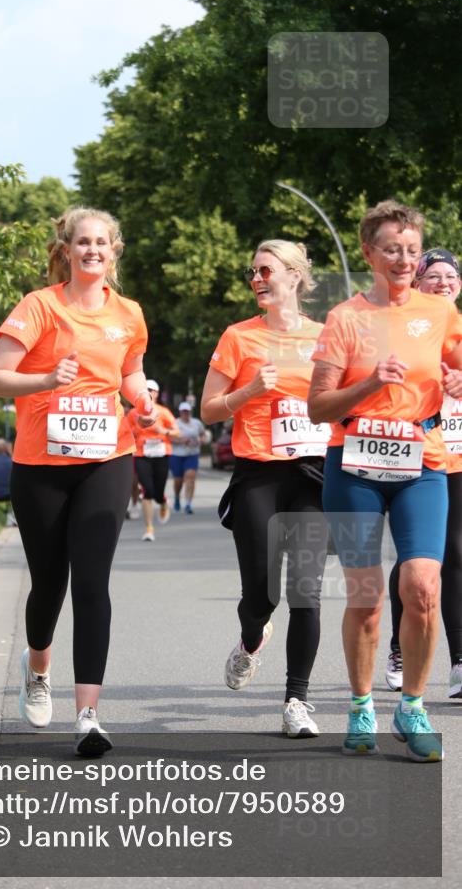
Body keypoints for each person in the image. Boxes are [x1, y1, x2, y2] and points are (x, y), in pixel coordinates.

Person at [0, 207, 154, 756]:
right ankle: (37, 668)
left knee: (92, 583)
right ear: (68, 249)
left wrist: (143, 401)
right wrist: (45, 379)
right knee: (50, 583)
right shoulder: (40, 307)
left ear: (114, 250)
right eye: (83, 242)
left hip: (108, 456)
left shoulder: (129, 313)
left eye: (102, 242)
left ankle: (89, 716)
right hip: (41, 465)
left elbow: (129, 372)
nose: (93, 250)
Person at [308, 201, 462, 762]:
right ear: (370, 252)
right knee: (368, 598)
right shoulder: (345, 318)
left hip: (422, 462)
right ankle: (361, 704)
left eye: (413, 250)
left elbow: (457, 364)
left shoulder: (440, 312)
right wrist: (371, 381)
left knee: (423, 586)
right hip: (354, 466)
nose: (403, 259)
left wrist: (458, 378)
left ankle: (413, 705)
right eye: (392, 249)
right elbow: (318, 406)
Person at [201, 240, 330, 738]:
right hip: (259, 474)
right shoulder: (238, 337)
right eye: (252, 271)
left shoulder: (325, 337)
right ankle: (251, 638)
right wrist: (250, 391)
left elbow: (344, 400)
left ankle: (297, 700)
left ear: (294, 277)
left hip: (314, 475)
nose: (256, 279)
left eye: (266, 270)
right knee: (261, 592)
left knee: (307, 591)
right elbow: (210, 407)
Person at [385, 247, 462, 699]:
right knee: (418, 560)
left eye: (450, 275)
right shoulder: (405, 328)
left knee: (455, 553)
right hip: (413, 455)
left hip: (458, 455)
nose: (442, 282)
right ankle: (399, 646)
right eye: (431, 275)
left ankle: (457, 661)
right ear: (416, 284)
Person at [128, 380, 179, 542]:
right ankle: (149, 528)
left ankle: (162, 500)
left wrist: (163, 431)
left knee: (157, 492)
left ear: (157, 394)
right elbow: (127, 432)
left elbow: (177, 432)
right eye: (146, 389)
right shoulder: (134, 413)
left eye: (152, 390)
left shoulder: (164, 412)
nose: (149, 392)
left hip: (162, 454)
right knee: (147, 491)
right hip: (141, 454)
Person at [170, 401, 208, 513]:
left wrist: (201, 440)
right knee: (178, 480)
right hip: (177, 455)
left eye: (187, 412)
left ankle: (188, 504)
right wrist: (182, 440)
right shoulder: (175, 423)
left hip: (192, 454)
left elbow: (203, 435)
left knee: (190, 477)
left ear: (190, 412)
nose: (185, 414)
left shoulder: (196, 423)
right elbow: (169, 437)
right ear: (180, 412)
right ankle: (177, 497)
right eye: (183, 412)